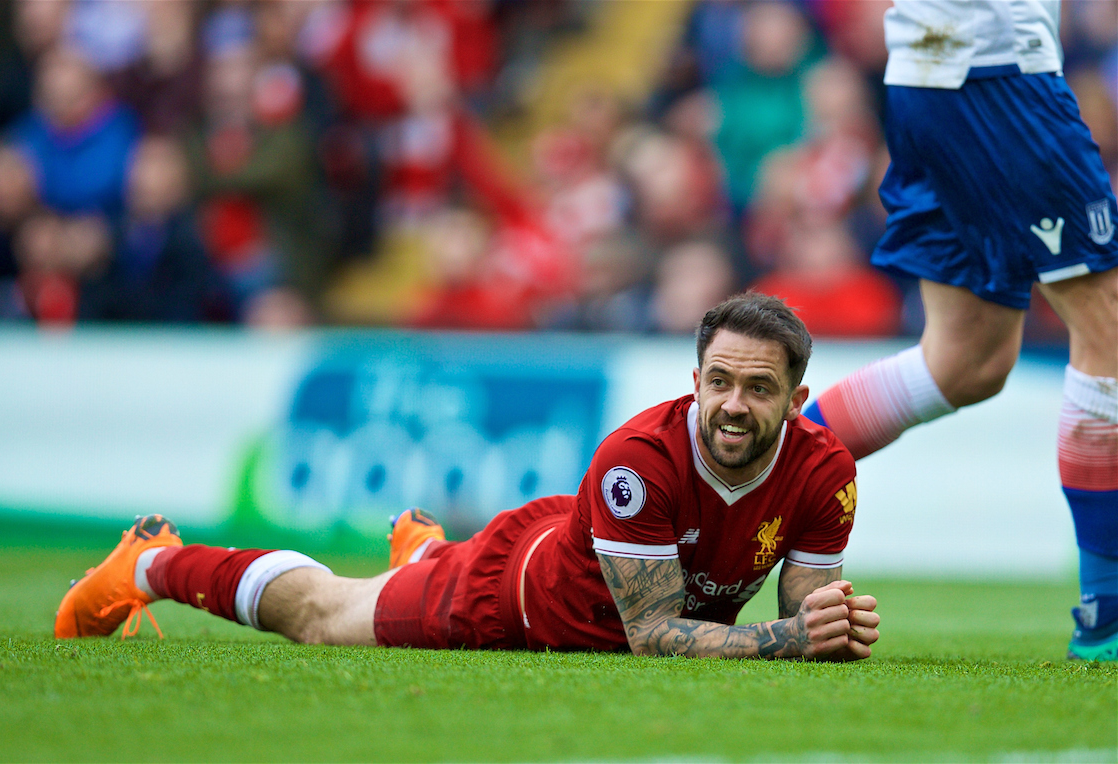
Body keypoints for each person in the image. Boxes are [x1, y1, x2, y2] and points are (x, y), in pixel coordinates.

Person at [55, 293, 880, 661]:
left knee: (405, 576)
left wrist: (830, 628)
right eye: (719, 383)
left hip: (584, 543)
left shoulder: (824, 469)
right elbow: (656, 636)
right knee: (321, 615)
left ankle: (422, 554)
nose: (734, 406)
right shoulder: (640, 462)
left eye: (759, 389)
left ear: (798, 398)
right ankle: (152, 563)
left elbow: (805, 617)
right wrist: (790, 642)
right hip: (515, 599)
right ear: (694, 380)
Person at [800, 1, 1118, 661]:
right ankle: (1108, 618)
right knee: (1109, 326)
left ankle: (710, 498)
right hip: (994, 72)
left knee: (966, 359)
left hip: (937, 78)